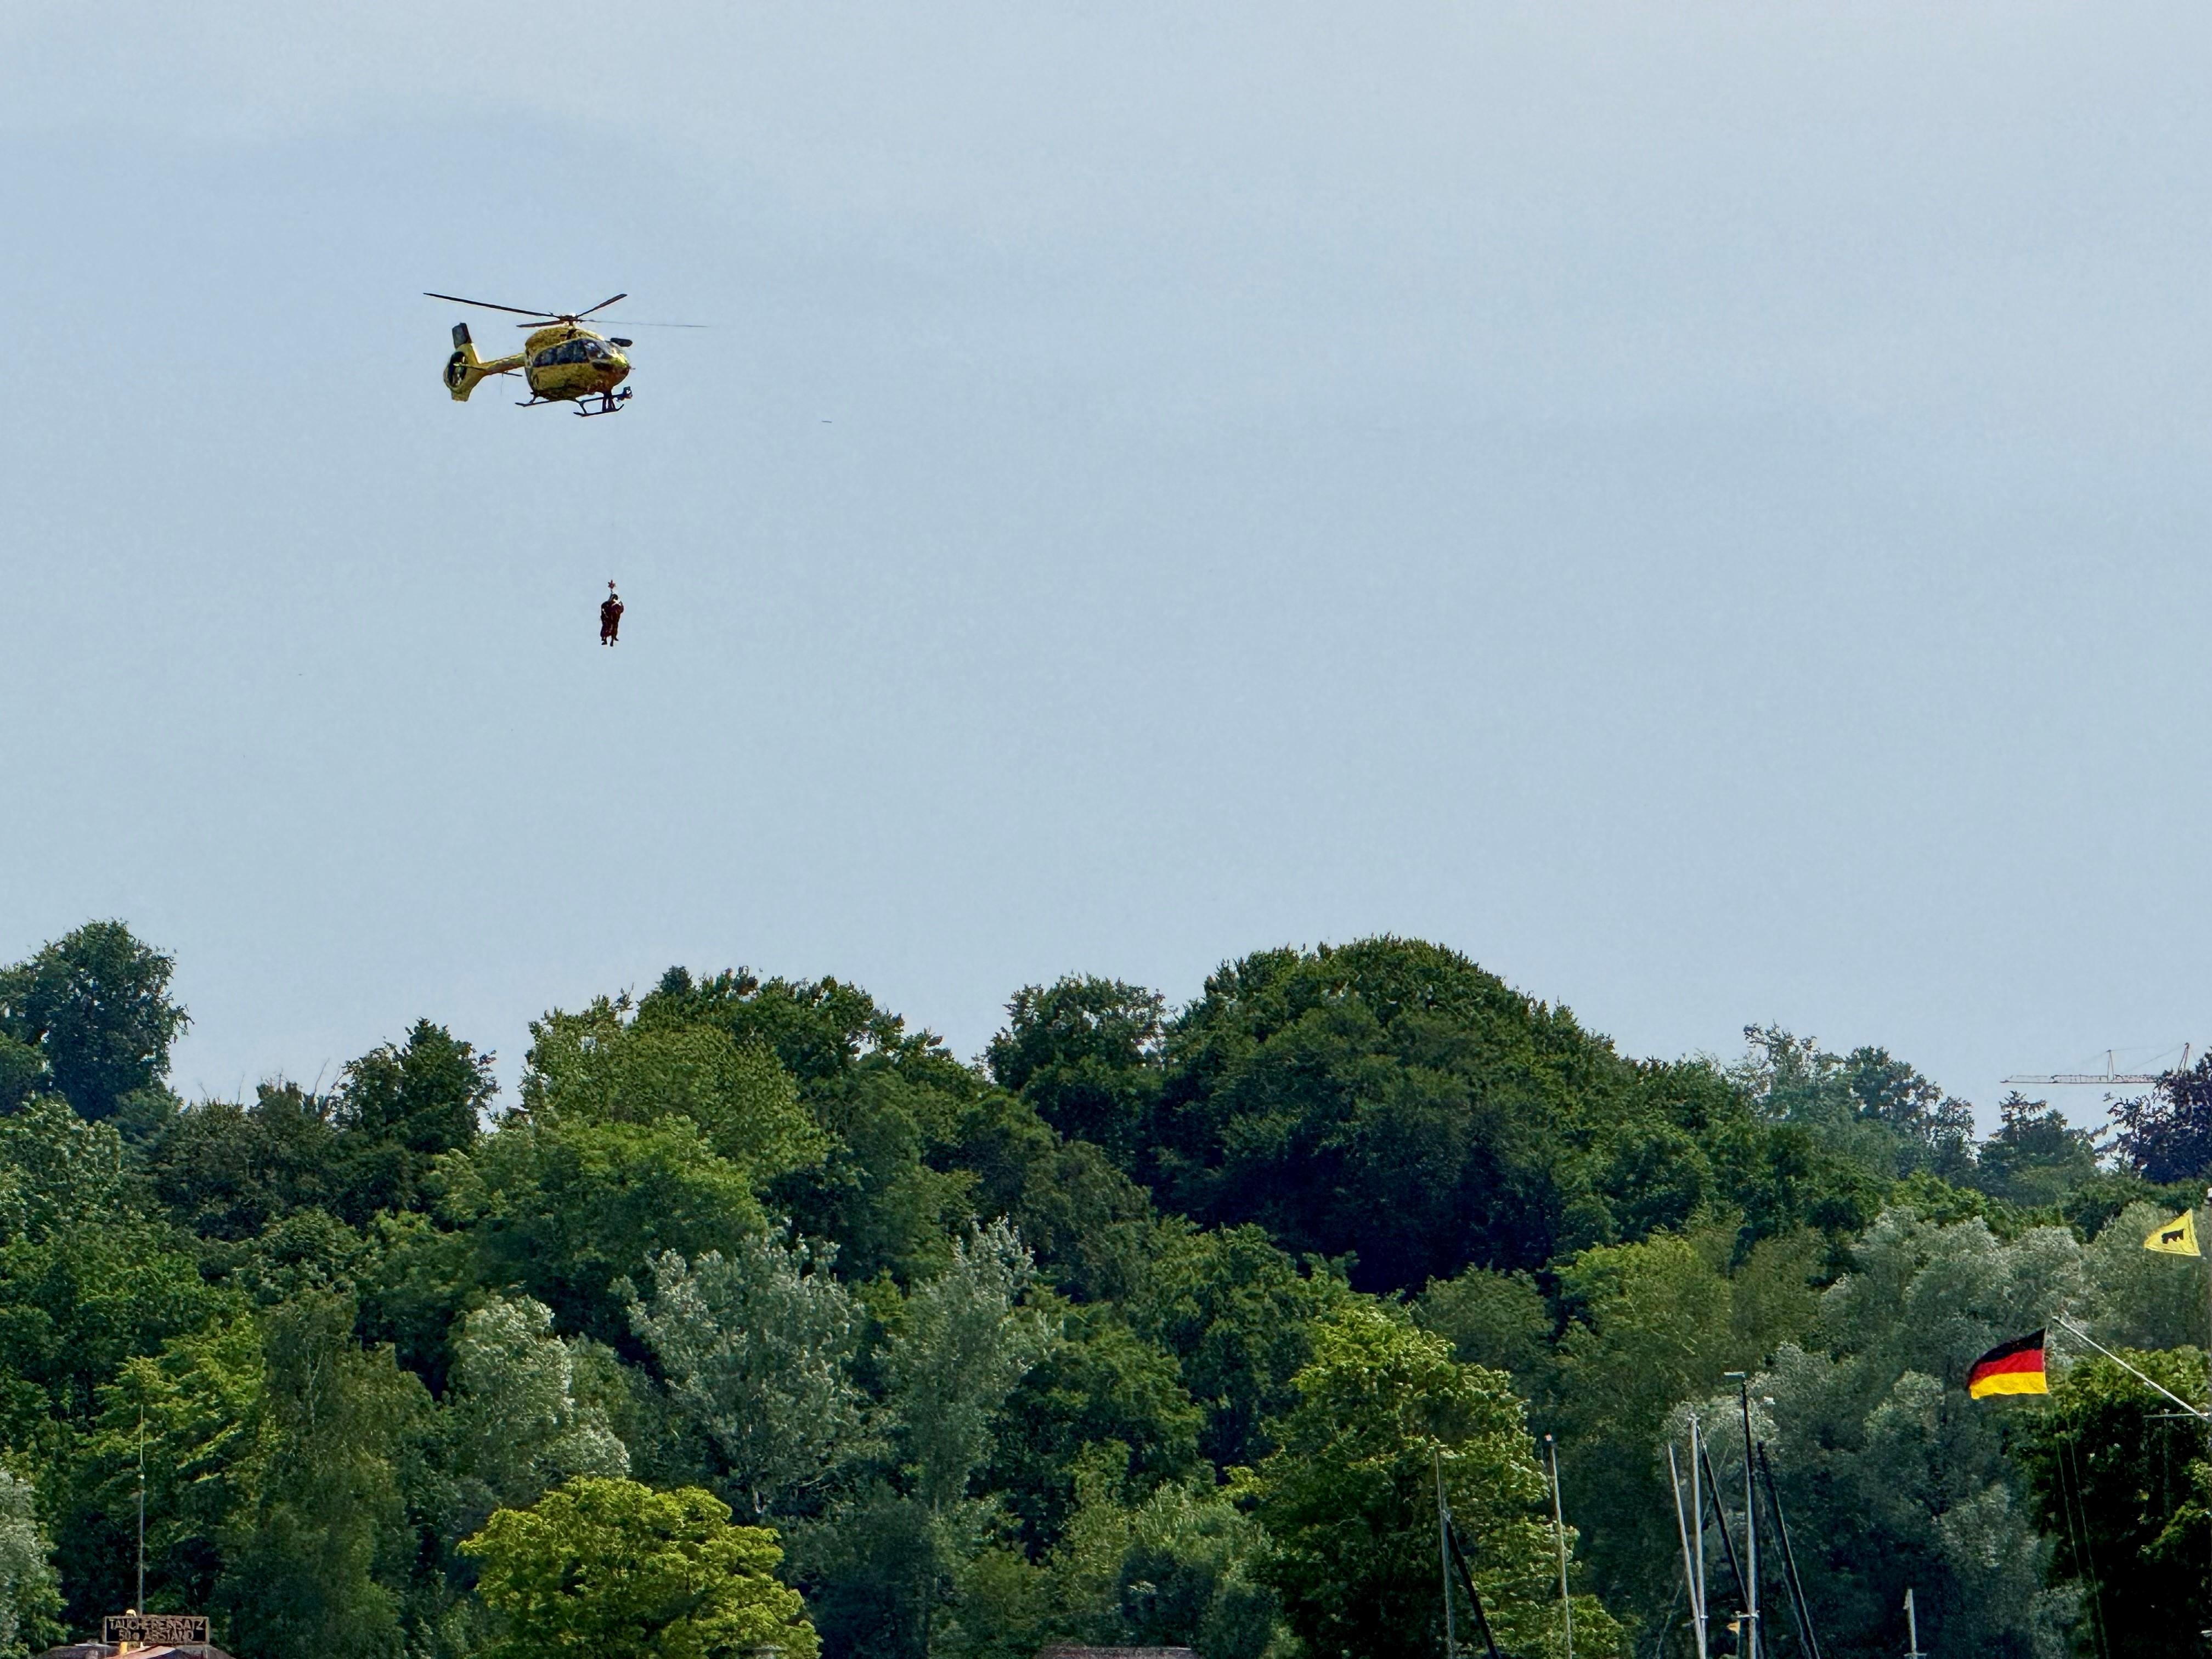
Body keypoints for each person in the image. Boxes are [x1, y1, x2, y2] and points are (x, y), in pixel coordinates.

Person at [599, 581, 623, 646]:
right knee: (608, 626)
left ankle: (611, 638)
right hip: (609, 615)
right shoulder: (609, 603)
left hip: (613, 614)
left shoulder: (617, 602)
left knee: (613, 626)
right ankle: (606, 639)